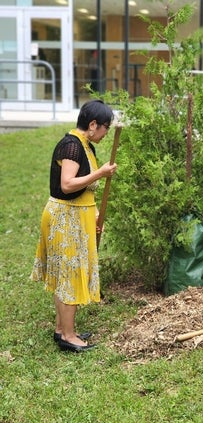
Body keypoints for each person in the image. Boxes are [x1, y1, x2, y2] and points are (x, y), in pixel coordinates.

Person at [31, 99, 118, 352]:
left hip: (77, 216)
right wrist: (100, 173)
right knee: (68, 276)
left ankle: (62, 329)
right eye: (105, 128)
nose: (105, 133)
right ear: (93, 125)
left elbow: (85, 189)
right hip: (64, 218)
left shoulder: (85, 145)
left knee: (66, 275)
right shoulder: (71, 146)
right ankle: (68, 337)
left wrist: (94, 216)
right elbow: (68, 184)